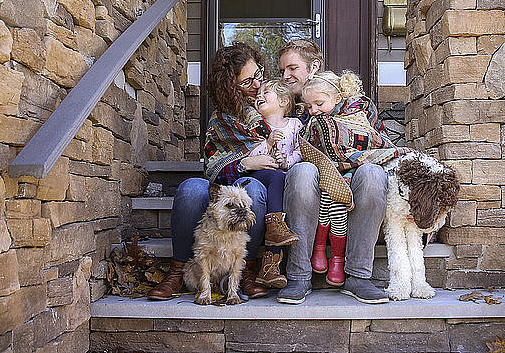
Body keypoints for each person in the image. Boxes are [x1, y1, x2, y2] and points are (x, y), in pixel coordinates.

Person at [148, 42, 276, 301]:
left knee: (254, 189)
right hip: (223, 190)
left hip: (257, 186)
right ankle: (179, 269)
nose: (256, 85)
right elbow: (213, 171)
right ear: (229, 87)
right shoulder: (220, 122)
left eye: (258, 75)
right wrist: (244, 164)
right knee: (191, 188)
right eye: (246, 81)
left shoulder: (275, 105)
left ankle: (246, 270)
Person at [276, 39, 390, 304]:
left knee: (373, 174)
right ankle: (298, 275)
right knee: (303, 171)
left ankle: (359, 276)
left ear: (314, 67)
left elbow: (376, 141)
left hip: (354, 176)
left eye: (292, 68)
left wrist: (348, 160)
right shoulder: (286, 106)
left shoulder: (358, 106)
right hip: (310, 186)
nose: (285, 75)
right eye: (282, 70)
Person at [248, 79, 303, 289]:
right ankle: (270, 257)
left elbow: (301, 151)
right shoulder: (256, 126)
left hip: (285, 178)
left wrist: (287, 161)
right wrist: (267, 144)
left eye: (266, 92)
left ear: (282, 100)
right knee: (276, 226)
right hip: (262, 177)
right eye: (258, 94)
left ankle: (269, 269)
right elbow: (248, 155)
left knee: (281, 182)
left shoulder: (295, 125)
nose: (258, 96)